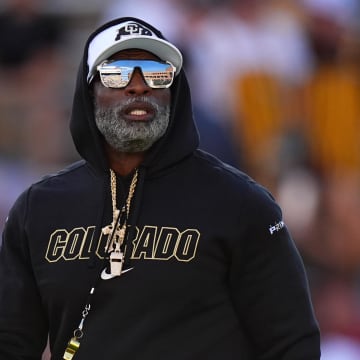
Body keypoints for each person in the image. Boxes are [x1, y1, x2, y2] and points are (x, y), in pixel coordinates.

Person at [0, 17, 321, 359]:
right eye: (117, 72)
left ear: (175, 89)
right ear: (89, 89)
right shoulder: (40, 210)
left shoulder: (240, 204)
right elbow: (10, 343)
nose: (138, 86)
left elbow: (291, 343)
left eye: (156, 73)